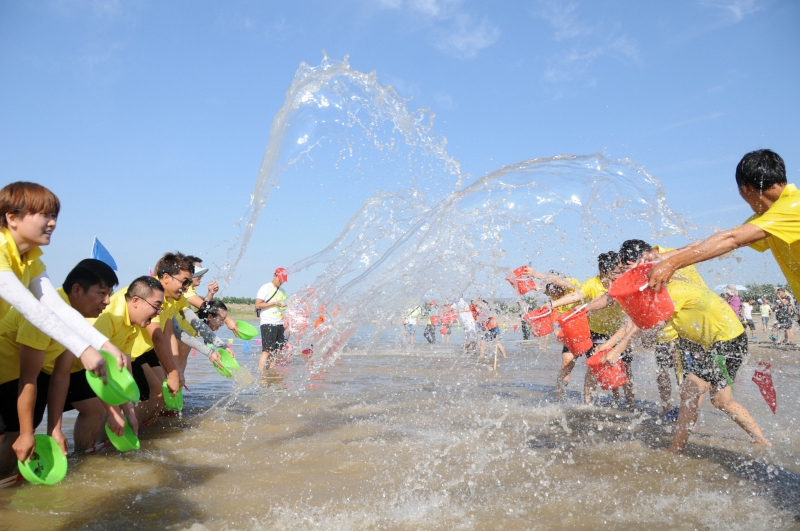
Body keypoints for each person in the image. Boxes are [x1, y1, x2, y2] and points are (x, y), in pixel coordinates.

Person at [601, 239, 770, 452]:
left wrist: (617, 348)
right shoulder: (661, 285)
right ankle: (761, 440)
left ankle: (676, 448)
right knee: (721, 401)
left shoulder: (667, 290)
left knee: (690, 389)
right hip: (723, 340)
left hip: (726, 339)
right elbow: (645, 329)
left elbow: (642, 326)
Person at [0, 260, 137, 473]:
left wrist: (54, 430)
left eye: (109, 294)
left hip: (28, 377)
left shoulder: (73, 317)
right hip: (8, 375)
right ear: (76, 290)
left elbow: (61, 376)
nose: (107, 301)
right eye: (101, 293)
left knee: (23, 434)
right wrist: (27, 433)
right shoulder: (45, 313)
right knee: (17, 435)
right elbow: (28, 378)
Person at [0, 182, 126, 396]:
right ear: (12, 218)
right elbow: (30, 307)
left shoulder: (31, 258)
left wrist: (103, 344)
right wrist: (83, 349)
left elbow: (56, 307)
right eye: (44, 215)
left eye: (54, 216)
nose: (52, 224)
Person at [648, 150, 800, 306]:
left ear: (745, 189)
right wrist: (663, 257)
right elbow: (718, 241)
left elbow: (732, 240)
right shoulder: (771, 215)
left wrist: (672, 264)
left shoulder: (794, 206)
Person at [127, 253, 192, 423]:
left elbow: (168, 334)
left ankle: (143, 431)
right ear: (165, 277)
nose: (186, 287)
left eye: (189, 283)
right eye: (184, 281)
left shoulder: (168, 299)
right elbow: (157, 336)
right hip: (130, 350)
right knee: (150, 393)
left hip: (145, 350)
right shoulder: (152, 294)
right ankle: (128, 432)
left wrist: (176, 370)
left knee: (159, 393)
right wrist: (172, 372)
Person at [256, 268, 288, 371]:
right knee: (267, 350)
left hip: (279, 323)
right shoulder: (265, 288)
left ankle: (271, 372)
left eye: (283, 280)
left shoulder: (283, 291)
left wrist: (284, 307)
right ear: (275, 275)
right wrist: (274, 303)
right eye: (280, 279)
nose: (281, 282)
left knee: (276, 351)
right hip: (267, 322)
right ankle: (262, 374)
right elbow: (258, 305)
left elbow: (282, 308)